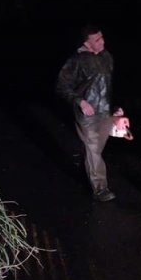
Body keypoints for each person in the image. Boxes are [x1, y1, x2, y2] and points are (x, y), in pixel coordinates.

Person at [56, 24, 124, 202]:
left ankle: (85, 171)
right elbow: (62, 86)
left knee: (95, 148)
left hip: (105, 111)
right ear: (86, 43)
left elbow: (110, 85)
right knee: (93, 148)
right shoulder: (76, 61)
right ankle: (100, 189)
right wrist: (81, 102)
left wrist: (116, 108)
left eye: (102, 37)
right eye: (97, 40)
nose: (102, 41)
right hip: (87, 114)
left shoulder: (106, 57)